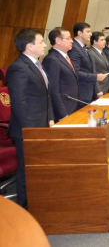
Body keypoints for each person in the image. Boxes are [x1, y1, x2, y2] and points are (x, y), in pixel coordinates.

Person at [7, 28, 55, 209]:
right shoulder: (18, 68)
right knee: (27, 171)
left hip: (42, 124)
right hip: (28, 129)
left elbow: (46, 95)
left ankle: (39, 205)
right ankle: (24, 209)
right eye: (41, 41)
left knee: (38, 170)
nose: (44, 45)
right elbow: (20, 104)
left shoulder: (37, 64)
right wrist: (31, 132)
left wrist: (50, 118)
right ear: (29, 46)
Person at [42, 27, 79, 122]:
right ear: (58, 40)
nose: (72, 41)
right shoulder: (52, 60)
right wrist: (62, 113)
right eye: (68, 38)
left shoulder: (66, 57)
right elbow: (53, 90)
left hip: (72, 105)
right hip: (63, 110)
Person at [69, 22, 107, 107]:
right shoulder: (74, 48)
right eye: (88, 31)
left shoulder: (83, 48)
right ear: (80, 33)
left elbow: (90, 69)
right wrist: (95, 77)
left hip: (89, 92)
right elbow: (75, 72)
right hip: (81, 92)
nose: (90, 34)